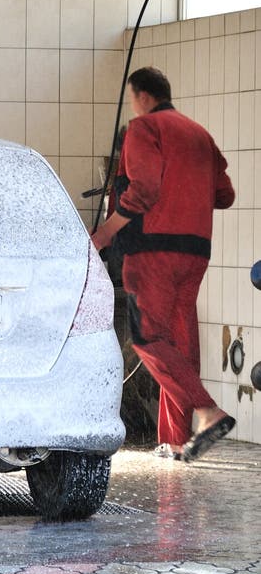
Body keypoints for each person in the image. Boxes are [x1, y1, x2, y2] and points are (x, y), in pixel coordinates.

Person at [91, 66, 236, 462]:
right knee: (179, 342)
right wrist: (187, 194)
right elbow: (226, 194)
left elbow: (144, 189)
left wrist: (104, 233)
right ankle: (174, 439)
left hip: (153, 250)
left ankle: (208, 411)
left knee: (148, 339)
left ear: (141, 97)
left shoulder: (143, 129)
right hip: (195, 252)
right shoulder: (199, 134)